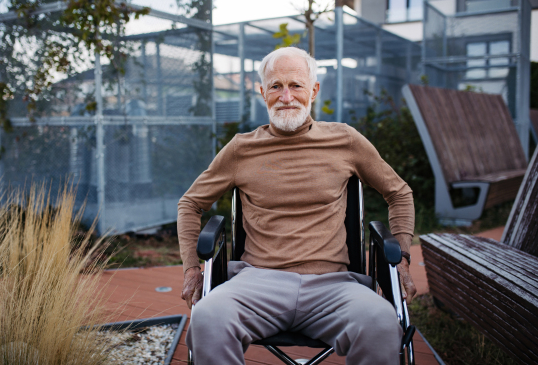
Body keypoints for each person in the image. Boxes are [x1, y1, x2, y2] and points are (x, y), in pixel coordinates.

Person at [177, 47, 417, 365]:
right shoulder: (241, 148)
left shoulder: (345, 140)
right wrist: (192, 268)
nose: (286, 96)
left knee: (381, 321)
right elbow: (191, 203)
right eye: (276, 86)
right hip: (256, 284)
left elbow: (399, 192)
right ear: (262, 92)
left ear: (314, 90)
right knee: (208, 317)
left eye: (296, 85)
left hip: (334, 287)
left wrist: (401, 257)